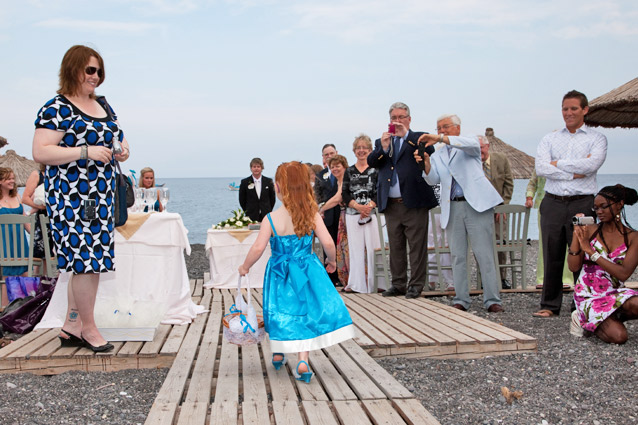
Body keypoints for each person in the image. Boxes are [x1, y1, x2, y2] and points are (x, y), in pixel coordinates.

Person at [32, 45, 130, 352]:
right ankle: (88, 328)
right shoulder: (56, 107)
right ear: (73, 69)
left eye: (99, 71)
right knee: (86, 262)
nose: (96, 76)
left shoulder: (104, 106)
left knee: (89, 261)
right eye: (90, 70)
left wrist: (122, 151)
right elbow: (41, 151)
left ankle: (72, 325)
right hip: (74, 196)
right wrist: (84, 152)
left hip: (101, 196)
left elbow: (119, 139)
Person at [238, 161, 355, 383]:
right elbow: (329, 243)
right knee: (306, 310)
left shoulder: (270, 218)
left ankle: (279, 351)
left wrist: (245, 267)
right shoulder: (311, 214)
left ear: (278, 187)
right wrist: (331, 261)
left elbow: (258, 248)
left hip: (279, 272)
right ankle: (303, 360)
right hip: (306, 269)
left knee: (279, 308)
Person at [415, 114, 504, 312]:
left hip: (476, 205)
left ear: (457, 127)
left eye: (445, 126)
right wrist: (427, 163)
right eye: (438, 128)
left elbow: (472, 143)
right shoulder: (438, 154)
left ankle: (492, 299)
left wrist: (439, 139)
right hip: (452, 206)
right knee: (457, 255)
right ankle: (461, 298)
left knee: (484, 254)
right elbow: (433, 179)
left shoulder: (470, 145)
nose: (441, 130)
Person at [533, 90, 607, 318]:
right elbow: (541, 168)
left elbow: (591, 166)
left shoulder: (596, 139)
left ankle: (582, 304)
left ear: (585, 110)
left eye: (574, 108)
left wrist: (559, 164)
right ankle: (549, 305)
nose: (569, 113)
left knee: (583, 252)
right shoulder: (550, 138)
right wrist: (573, 172)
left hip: (583, 203)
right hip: (553, 202)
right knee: (551, 252)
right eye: (565, 108)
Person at [368, 102, 438, 299]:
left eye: (400, 117)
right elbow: (373, 162)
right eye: (393, 118)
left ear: (409, 119)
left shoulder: (417, 137)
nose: (397, 121)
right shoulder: (382, 142)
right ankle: (398, 284)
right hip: (391, 203)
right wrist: (382, 147)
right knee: (396, 246)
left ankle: (416, 285)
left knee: (417, 247)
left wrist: (405, 134)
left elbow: (428, 152)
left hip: (414, 201)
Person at [568, 185, 638, 344]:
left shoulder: (633, 237)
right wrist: (576, 236)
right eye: (596, 208)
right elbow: (573, 267)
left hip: (614, 292)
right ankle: (581, 317)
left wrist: (591, 252)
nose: (599, 211)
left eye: (603, 207)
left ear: (620, 204)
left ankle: (606, 317)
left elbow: (623, 273)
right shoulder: (590, 230)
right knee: (619, 337)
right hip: (588, 295)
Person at [341, 134, 385, 293]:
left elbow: (380, 190)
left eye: (364, 148)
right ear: (354, 151)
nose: (361, 151)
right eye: (358, 148)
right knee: (355, 250)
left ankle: (379, 284)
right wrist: (358, 207)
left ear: (370, 150)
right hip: (353, 214)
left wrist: (369, 206)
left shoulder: (376, 170)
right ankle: (356, 284)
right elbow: (344, 193)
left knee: (375, 248)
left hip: (372, 214)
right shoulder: (349, 171)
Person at [525, 170, 573, 290]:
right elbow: (533, 183)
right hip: (544, 204)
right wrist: (529, 197)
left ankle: (566, 279)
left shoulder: (565, 163)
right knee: (544, 242)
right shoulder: (541, 164)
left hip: (565, 203)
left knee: (567, 242)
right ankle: (542, 278)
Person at [480, 137, 514, 289]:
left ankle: (502, 277)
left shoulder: (501, 159)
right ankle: (483, 278)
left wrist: (503, 205)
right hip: (478, 209)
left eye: (481, 147)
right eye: (476, 148)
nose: (479, 151)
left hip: (498, 208)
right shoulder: (471, 162)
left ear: (487, 146)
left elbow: (508, 183)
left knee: (500, 242)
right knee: (481, 245)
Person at [318, 155, 350, 286]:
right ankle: (345, 279)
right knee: (343, 248)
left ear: (344, 166)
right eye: (332, 167)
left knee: (347, 248)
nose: (335, 169)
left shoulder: (346, 179)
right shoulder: (338, 181)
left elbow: (338, 198)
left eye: (338, 166)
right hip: (343, 216)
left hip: (350, 215)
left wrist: (321, 209)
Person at [0, 167, 30, 305]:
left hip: (20, 242)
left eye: (13, 178)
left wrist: (35, 236)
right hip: (4, 243)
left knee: (25, 274)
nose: (12, 181)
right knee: (8, 276)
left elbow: (25, 220)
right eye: (9, 178)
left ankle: (25, 309)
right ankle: (6, 311)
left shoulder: (17, 197)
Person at [314, 144, 340, 284]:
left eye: (331, 153)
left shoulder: (344, 171)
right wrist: (319, 211)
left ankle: (343, 276)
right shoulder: (320, 175)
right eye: (326, 154)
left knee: (341, 246)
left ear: (337, 153)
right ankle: (331, 278)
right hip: (326, 215)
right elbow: (317, 196)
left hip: (341, 214)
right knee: (327, 245)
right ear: (323, 157)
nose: (329, 156)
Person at [21, 164, 52, 269]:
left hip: (58, 218)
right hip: (43, 219)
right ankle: (42, 283)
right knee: (42, 256)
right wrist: (41, 207)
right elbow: (25, 198)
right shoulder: (37, 174)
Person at [239, 158, 276, 222]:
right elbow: (242, 200)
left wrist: (268, 209)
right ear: (251, 168)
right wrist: (248, 211)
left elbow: (272, 198)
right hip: (251, 215)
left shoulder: (268, 181)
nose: (256, 168)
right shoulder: (245, 182)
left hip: (266, 214)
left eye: (258, 166)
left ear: (262, 168)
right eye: (254, 167)